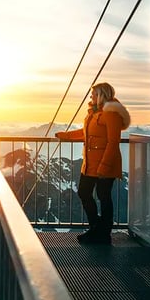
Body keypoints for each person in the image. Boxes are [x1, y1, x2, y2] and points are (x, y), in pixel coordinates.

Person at [55, 82, 130, 244]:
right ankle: (97, 228)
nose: (91, 97)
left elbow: (113, 142)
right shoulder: (94, 113)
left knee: (104, 197)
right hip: (90, 163)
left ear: (102, 95)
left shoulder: (111, 114)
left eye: (94, 94)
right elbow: (85, 133)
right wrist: (66, 136)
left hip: (104, 164)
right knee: (84, 192)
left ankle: (102, 233)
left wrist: (104, 166)